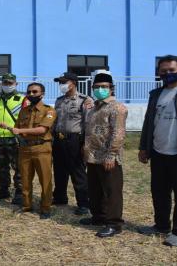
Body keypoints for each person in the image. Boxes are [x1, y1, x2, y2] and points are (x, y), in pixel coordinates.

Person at [81, 73, 128, 238]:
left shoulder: (117, 107)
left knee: (112, 191)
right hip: (93, 156)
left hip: (108, 157)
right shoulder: (93, 108)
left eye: (104, 87)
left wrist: (111, 155)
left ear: (111, 88)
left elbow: (118, 133)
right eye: (97, 87)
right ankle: (98, 217)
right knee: (94, 190)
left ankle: (114, 224)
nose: (100, 90)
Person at [0, 82, 56, 219]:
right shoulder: (23, 111)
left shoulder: (49, 111)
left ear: (42, 94)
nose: (31, 94)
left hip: (42, 149)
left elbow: (42, 130)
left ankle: (45, 208)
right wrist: (9, 128)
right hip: (25, 149)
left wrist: (20, 130)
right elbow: (18, 130)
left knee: (45, 180)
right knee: (24, 180)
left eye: (35, 92)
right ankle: (26, 206)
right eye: (29, 92)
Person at [138, 55, 177, 246]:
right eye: (164, 71)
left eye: (171, 70)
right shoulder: (156, 94)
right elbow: (148, 122)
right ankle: (161, 225)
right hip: (159, 152)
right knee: (159, 192)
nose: (168, 73)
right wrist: (143, 148)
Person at [52, 72, 92, 215]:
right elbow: (55, 121)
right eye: (60, 82)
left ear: (73, 83)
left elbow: (88, 123)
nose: (61, 85)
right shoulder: (59, 100)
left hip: (75, 139)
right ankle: (60, 197)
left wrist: (85, 144)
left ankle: (83, 203)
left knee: (78, 172)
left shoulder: (84, 100)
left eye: (64, 82)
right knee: (59, 170)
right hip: (58, 139)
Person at [0, 73, 28, 204]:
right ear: (1, 84)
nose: (7, 85)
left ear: (16, 84)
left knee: (18, 167)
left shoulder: (22, 99)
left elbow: (27, 119)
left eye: (10, 83)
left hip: (15, 139)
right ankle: (3, 190)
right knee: (0, 166)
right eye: (5, 83)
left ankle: (19, 192)